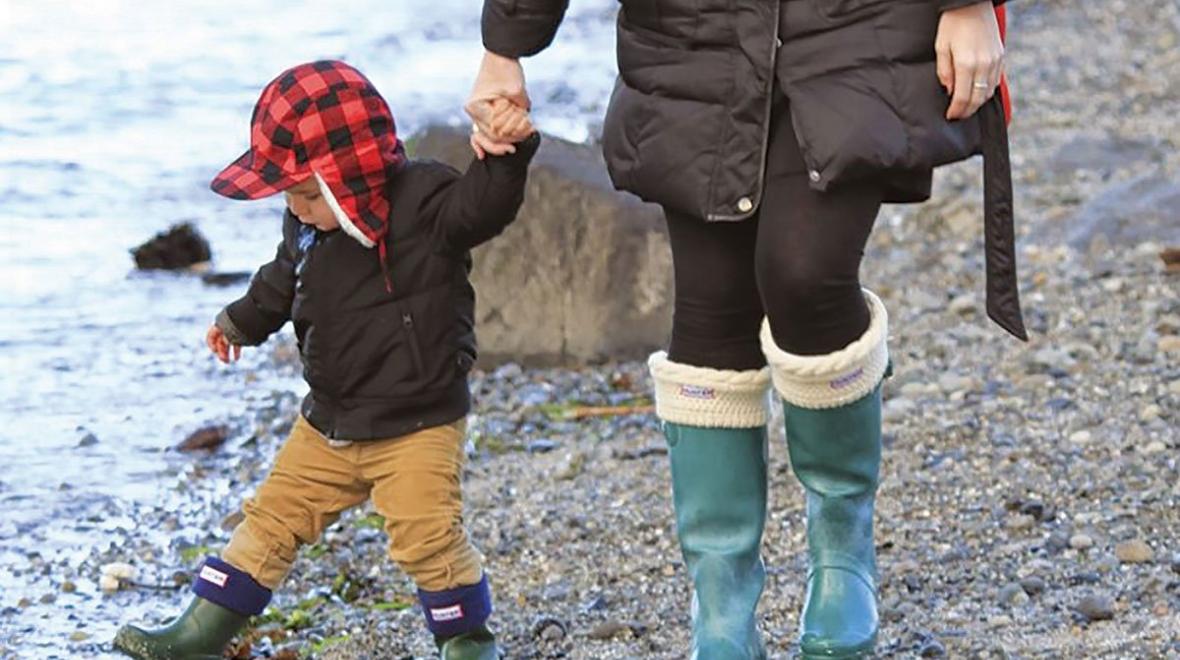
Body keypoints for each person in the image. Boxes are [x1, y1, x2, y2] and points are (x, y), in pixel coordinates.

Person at [469, 1, 1025, 658]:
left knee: (804, 275)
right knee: (712, 311)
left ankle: (842, 546)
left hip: (855, 25)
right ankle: (721, 602)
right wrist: (505, 47)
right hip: (692, 33)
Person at [114, 59, 538, 660]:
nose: (297, 207)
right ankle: (202, 631)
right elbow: (280, 281)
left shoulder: (424, 203)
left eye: (310, 194)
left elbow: (482, 207)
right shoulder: (305, 226)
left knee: (427, 537)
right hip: (328, 421)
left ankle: (467, 640)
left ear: (352, 176)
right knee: (271, 518)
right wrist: (238, 322)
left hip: (416, 423)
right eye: (289, 195)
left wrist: (504, 155)